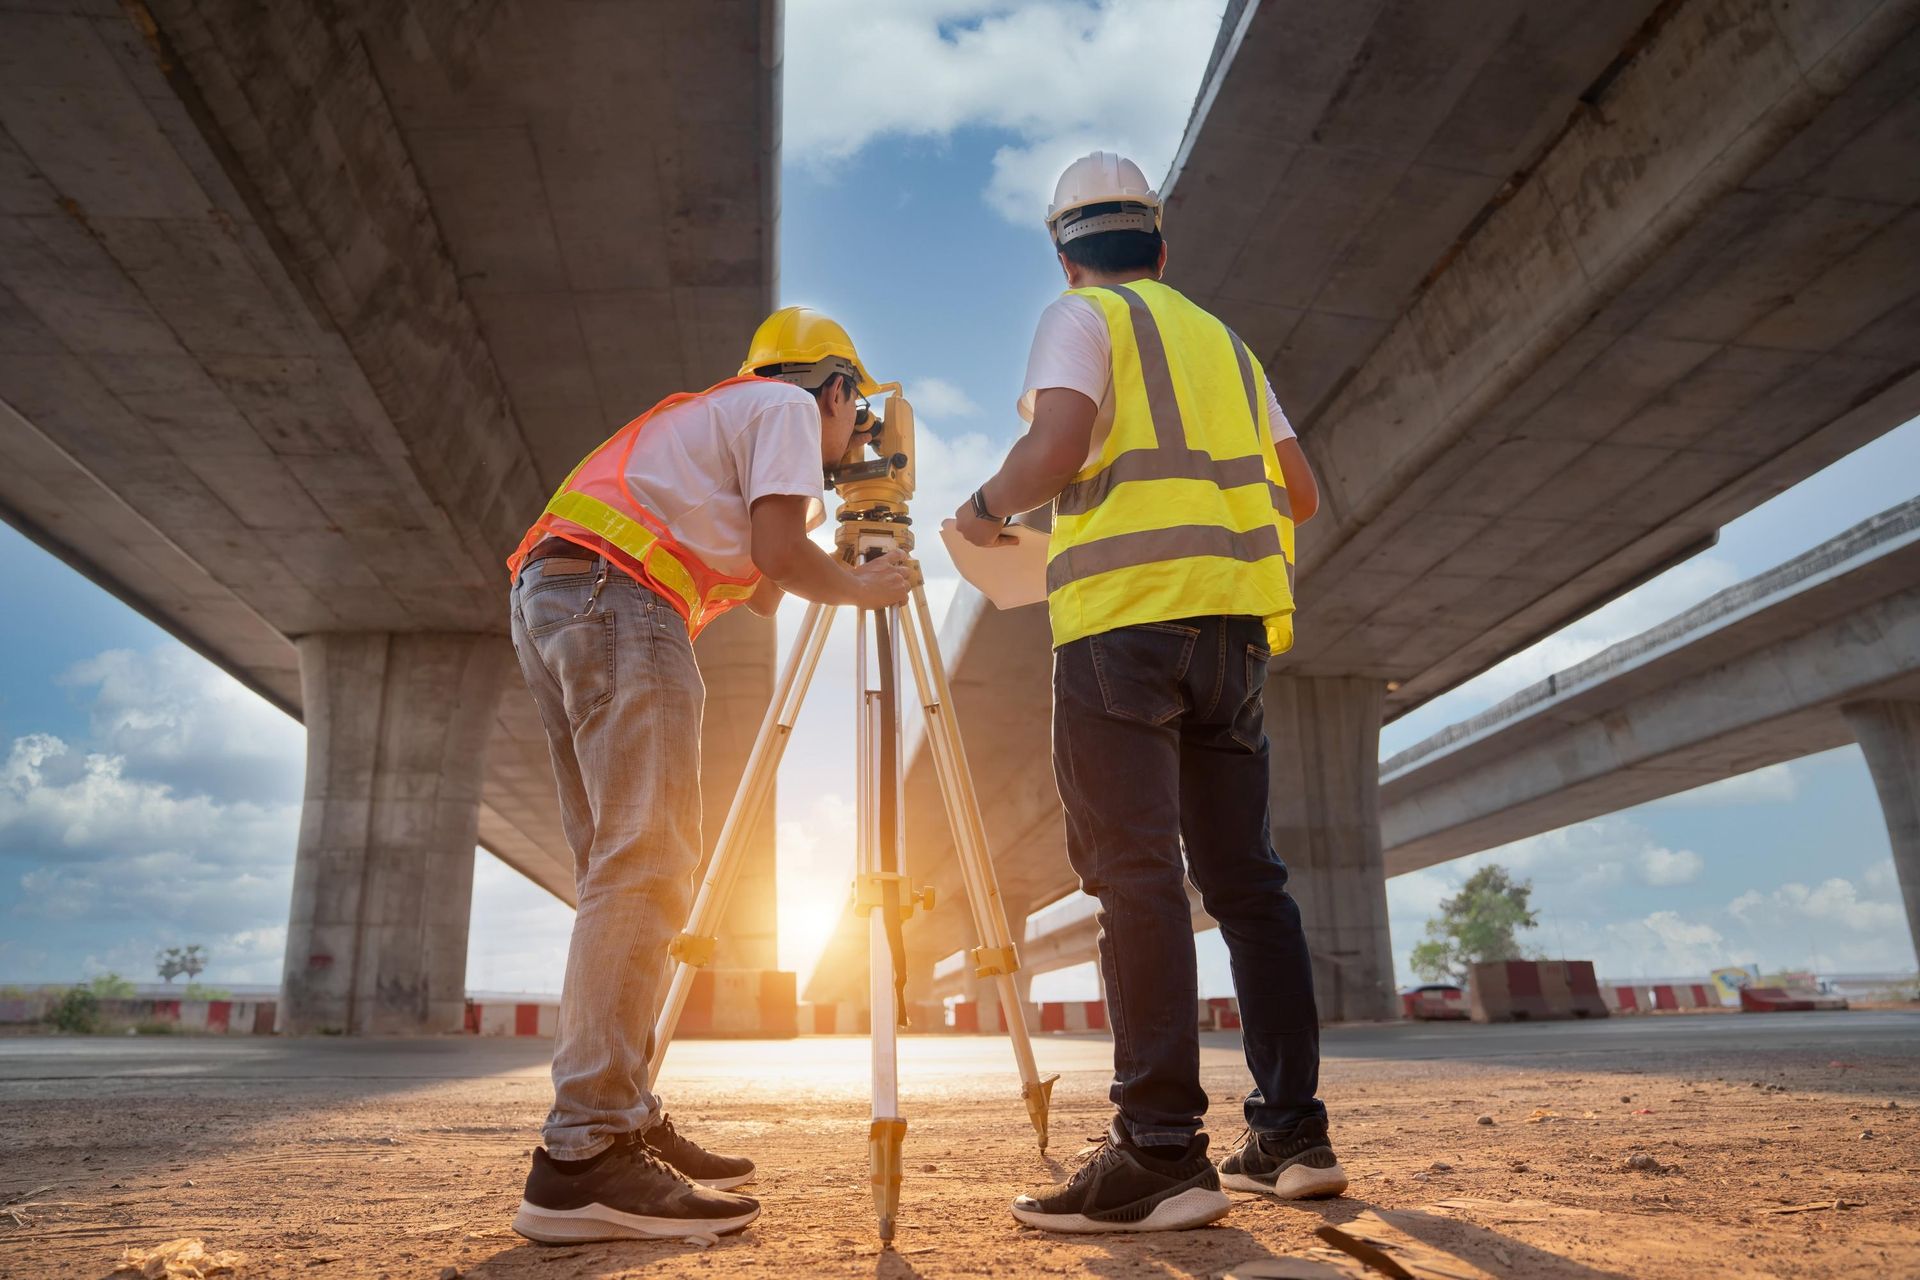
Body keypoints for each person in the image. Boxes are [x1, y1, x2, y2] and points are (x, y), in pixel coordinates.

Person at [953, 152, 1346, 1234]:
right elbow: (1300, 492)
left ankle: (1161, 1148)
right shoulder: (1225, 341)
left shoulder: (1083, 318)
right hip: (1235, 634)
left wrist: (984, 511)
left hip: (1122, 630)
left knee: (1136, 875)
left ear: (1064, 253)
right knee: (1249, 883)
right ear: (1161, 245)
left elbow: (1061, 441)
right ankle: (1292, 1134)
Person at [505, 308, 913, 1243]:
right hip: (617, 600)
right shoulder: (779, 408)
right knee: (645, 869)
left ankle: (621, 1113)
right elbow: (780, 560)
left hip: (560, 595)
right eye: (856, 413)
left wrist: (837, 533)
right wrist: (868, 586)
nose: (857, 435)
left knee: (616, 870)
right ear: (837, 389)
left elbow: (768, 586)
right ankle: (585, 1154)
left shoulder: (721, 420)